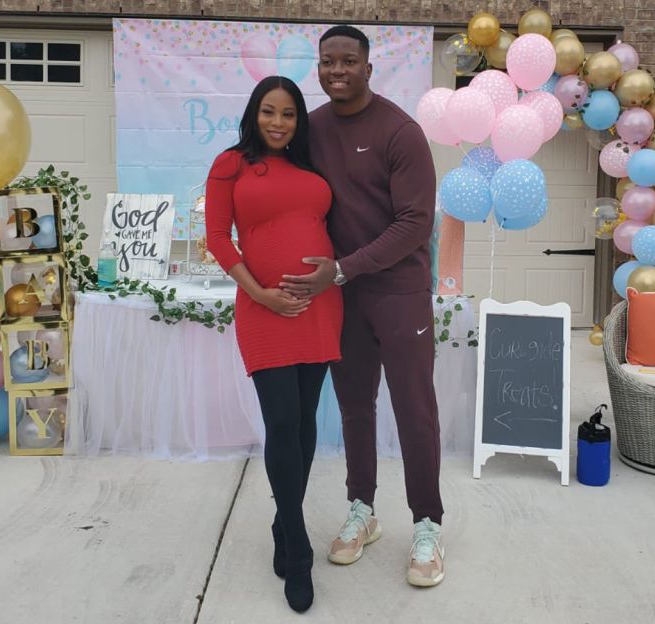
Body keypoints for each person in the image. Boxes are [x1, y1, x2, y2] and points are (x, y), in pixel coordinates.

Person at [280, 25, 445, 588]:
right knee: (354, 406)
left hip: (398, 292)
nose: (337, 71)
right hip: (340, 296)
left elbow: (415, 223)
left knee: (414, 409)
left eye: (349, 61)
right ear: (319, 67)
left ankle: (427, 525)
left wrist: (346, 267)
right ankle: (362, 510)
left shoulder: (401, 131)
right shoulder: (313, 128)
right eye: (328, 62)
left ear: (369, 69)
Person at [205, 75, 342, 613]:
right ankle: (299, 546)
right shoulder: (231, 164)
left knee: (305, 420)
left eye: (288, 113)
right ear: (253, 113)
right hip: (264, 310)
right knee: (282, 421)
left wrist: (335, 273)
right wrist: (261, 293)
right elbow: (218, 236)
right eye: (269, 111)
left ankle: (283, 524)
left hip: (320, 307)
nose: (279, 122)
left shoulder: (312, 166)